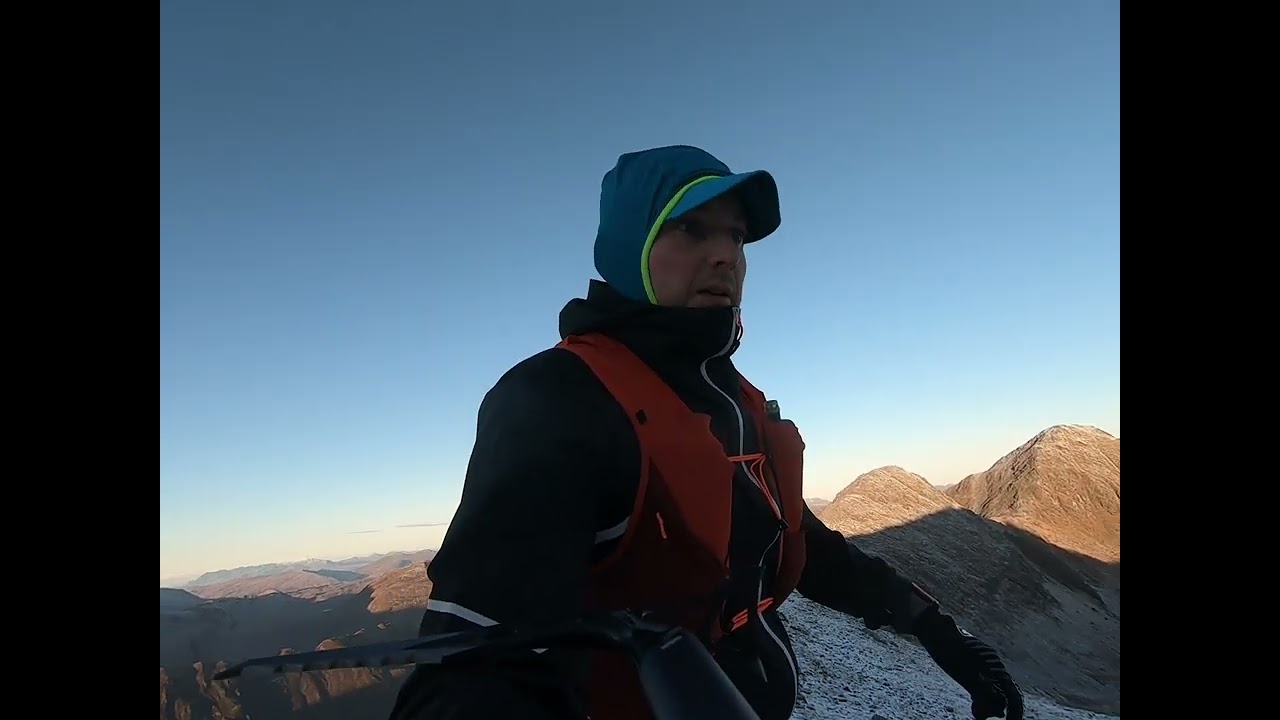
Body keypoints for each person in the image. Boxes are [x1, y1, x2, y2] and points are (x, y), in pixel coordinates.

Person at [387, 145, 1024, 720]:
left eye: (736, 237)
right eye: (691, 229)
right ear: (629, 248)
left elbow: (790, 539)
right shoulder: (559, 400)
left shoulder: (727, 394)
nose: (726, 255)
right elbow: (474, 668)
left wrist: (936, 629)